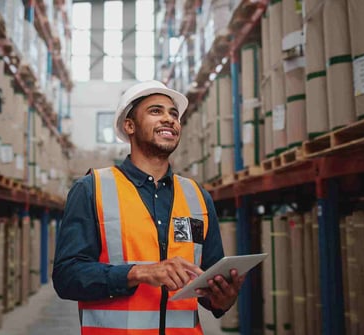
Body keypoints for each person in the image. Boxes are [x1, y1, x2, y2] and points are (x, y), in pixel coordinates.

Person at [52, 80, 245, 335]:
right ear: (129, 126)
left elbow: (208, 284)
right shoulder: (92, 189)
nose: (169, 119)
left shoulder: (197, 197)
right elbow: (67, 277)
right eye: (156, 111)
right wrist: (137, 273)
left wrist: (222, 299)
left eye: (173, 114)